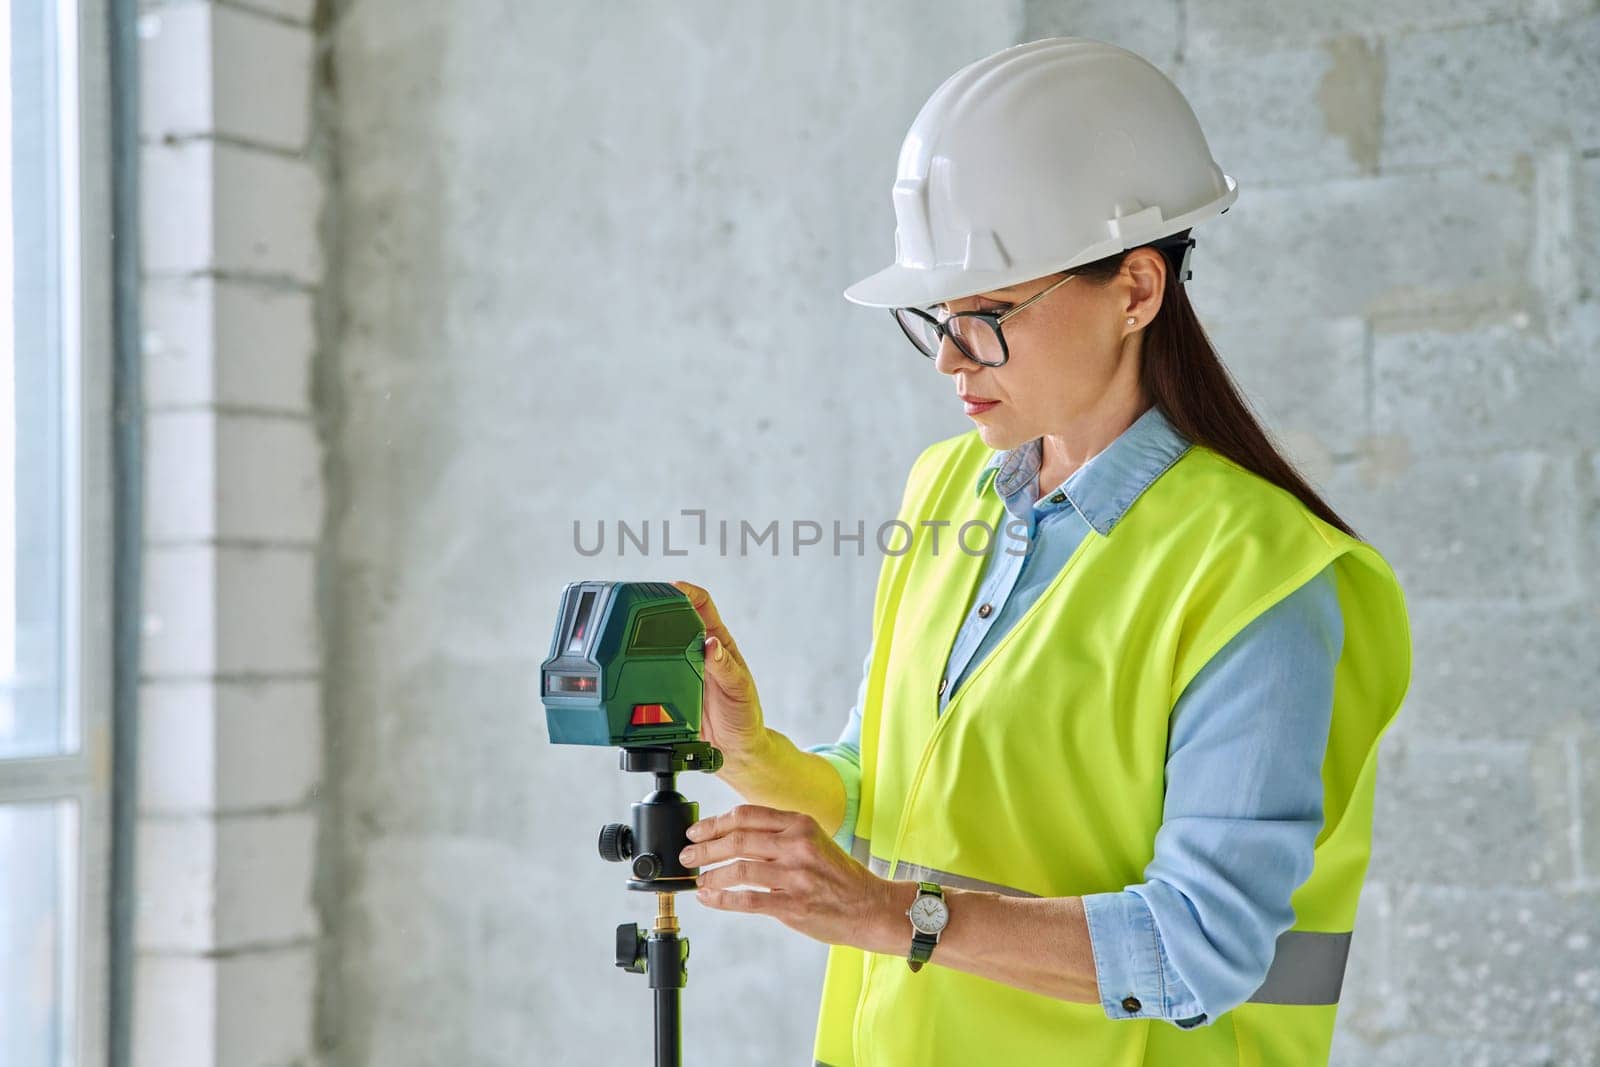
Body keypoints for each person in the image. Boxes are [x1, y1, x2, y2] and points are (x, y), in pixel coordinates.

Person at [669, 36, 1411, 1066]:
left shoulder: (1259, 575)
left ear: (1136, 289)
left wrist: (894, 915)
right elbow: (885, 797)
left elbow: (1202, 944)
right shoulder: (948, 489)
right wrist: (751, 751)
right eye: (937, 316)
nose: (946, 355)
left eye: (987, 315)